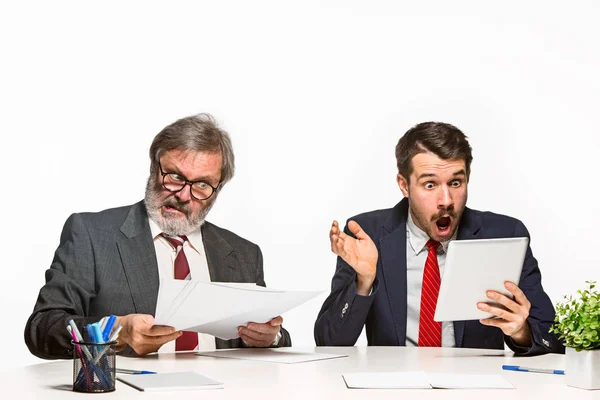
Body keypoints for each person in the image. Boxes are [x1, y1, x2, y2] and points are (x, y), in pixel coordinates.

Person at [25, 113, 291, 359]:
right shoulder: (91, 234)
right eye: (175, 176)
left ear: (217, 188)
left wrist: (270, 337)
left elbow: (274, 339)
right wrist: (114, 331)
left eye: (201, 184)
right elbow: (42, 328)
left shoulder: (244, 254)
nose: (184, 196)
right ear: (154, 168)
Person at [314, 122, 563, 356]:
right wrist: (363, 281)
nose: (446, 200)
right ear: (404, 184)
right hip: (393, 387)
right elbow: (328, 343)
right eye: (430, 184)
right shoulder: (367, 235)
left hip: (477, 387)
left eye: (455, 182)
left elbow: (555, 340)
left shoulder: (506, 234)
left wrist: (520, 331)